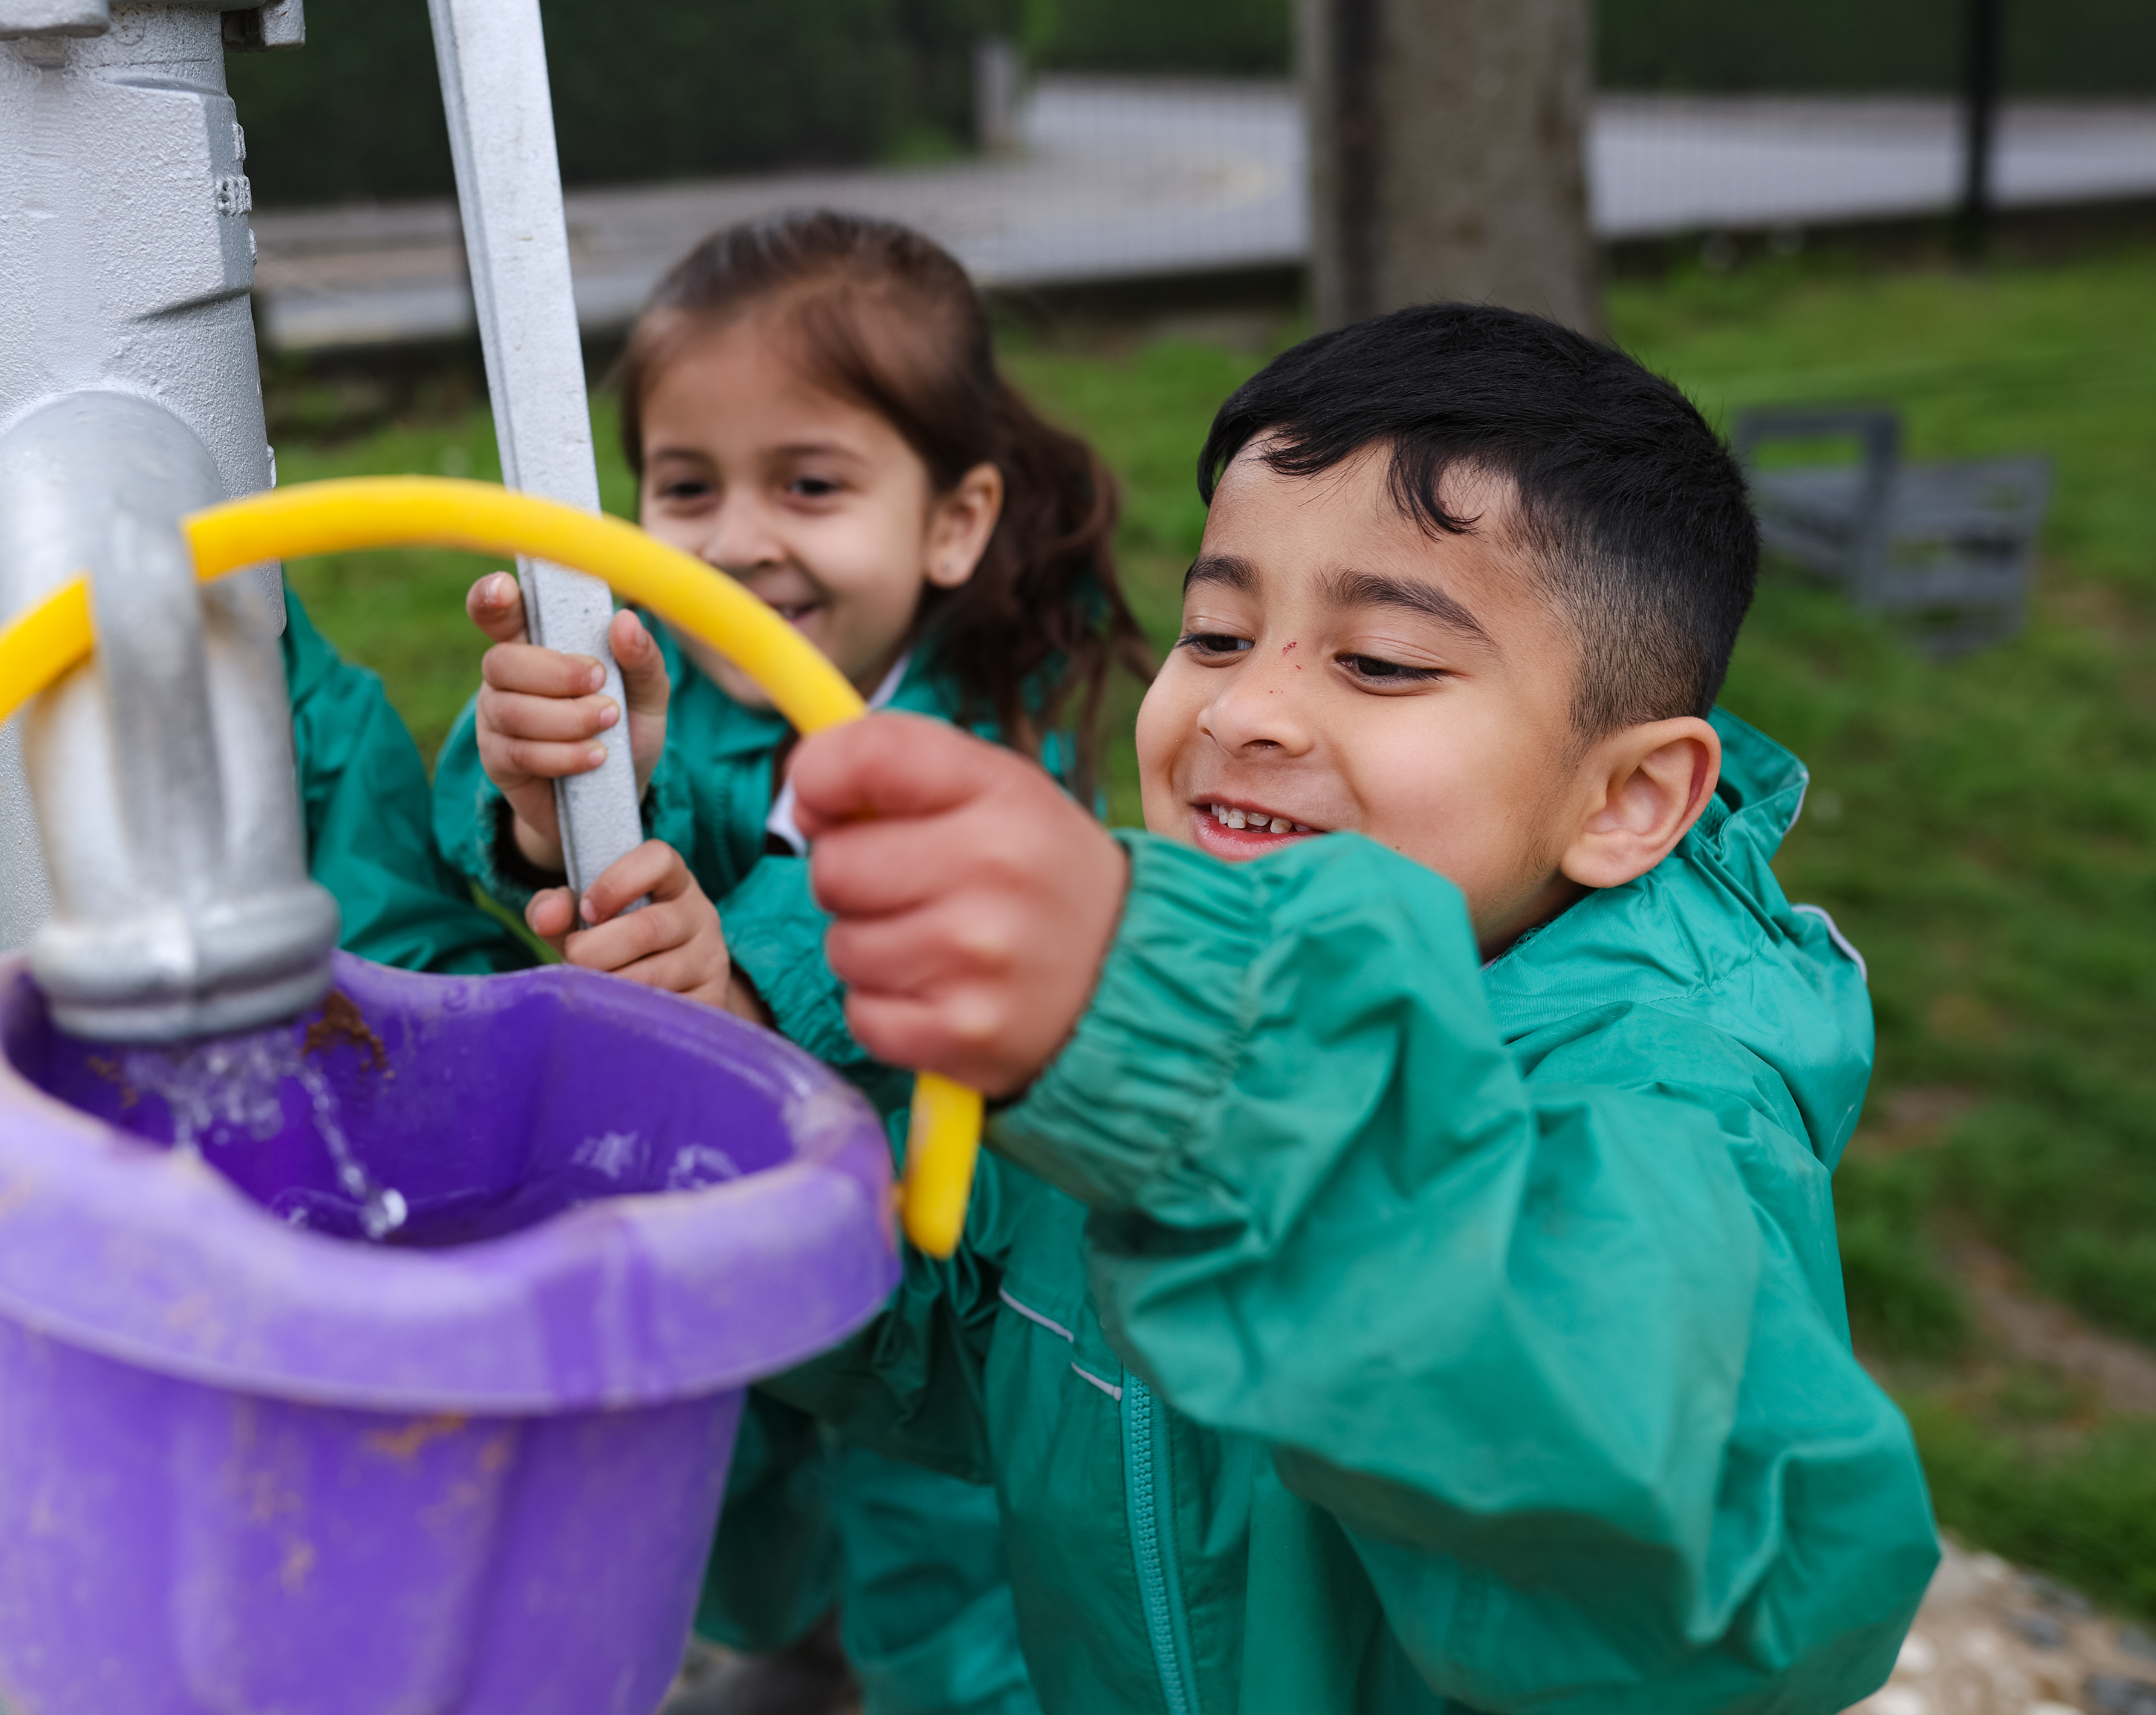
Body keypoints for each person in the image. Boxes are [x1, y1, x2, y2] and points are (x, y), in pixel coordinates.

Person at [751, 305, 1941, 1713]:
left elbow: (1724, 1582)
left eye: (1377, 660)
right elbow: (964, 1351)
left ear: (1625, 799)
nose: (1243, 708)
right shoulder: (1120, 1060)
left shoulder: (1657, 1104)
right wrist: (737, 1071)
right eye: (1214, 630)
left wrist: (1184, 1053)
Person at [0, 146, 721, 1715]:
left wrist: (553, 868)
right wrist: (79, 1429)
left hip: (363, 1472)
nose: (79, 511)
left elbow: (425, 995)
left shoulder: (289, 714)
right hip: (17, 1544)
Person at [436, 210, 1150, 1715]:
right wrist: (548, 784)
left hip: (940, 1286)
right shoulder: (669, 690)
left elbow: (911, 885)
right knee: (745, 1552)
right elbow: (575, 856)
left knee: (951, 1583)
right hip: (731, 1288)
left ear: (951, 522)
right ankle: (781, 1632)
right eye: (685, 487)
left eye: (808, 485)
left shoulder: (998, 716)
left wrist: (746, 981)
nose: (739, 539)